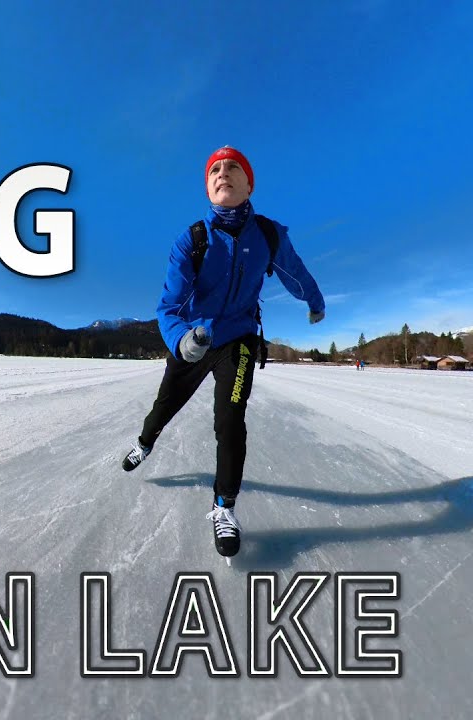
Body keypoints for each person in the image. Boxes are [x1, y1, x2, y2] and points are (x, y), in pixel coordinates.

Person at [121, 146, 326, 558]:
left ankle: (224, 507)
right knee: (165, 406)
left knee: (230, 421)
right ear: (208, 188)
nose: (222, 172)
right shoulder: (193, 240)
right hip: (193, 340)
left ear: (249, 184)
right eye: (214, 169)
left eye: (233, 167)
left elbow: (295, 272)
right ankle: (145, 442)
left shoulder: (268, 235)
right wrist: (182, 339)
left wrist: (315, 301)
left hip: (239, 341)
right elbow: (168, 306)